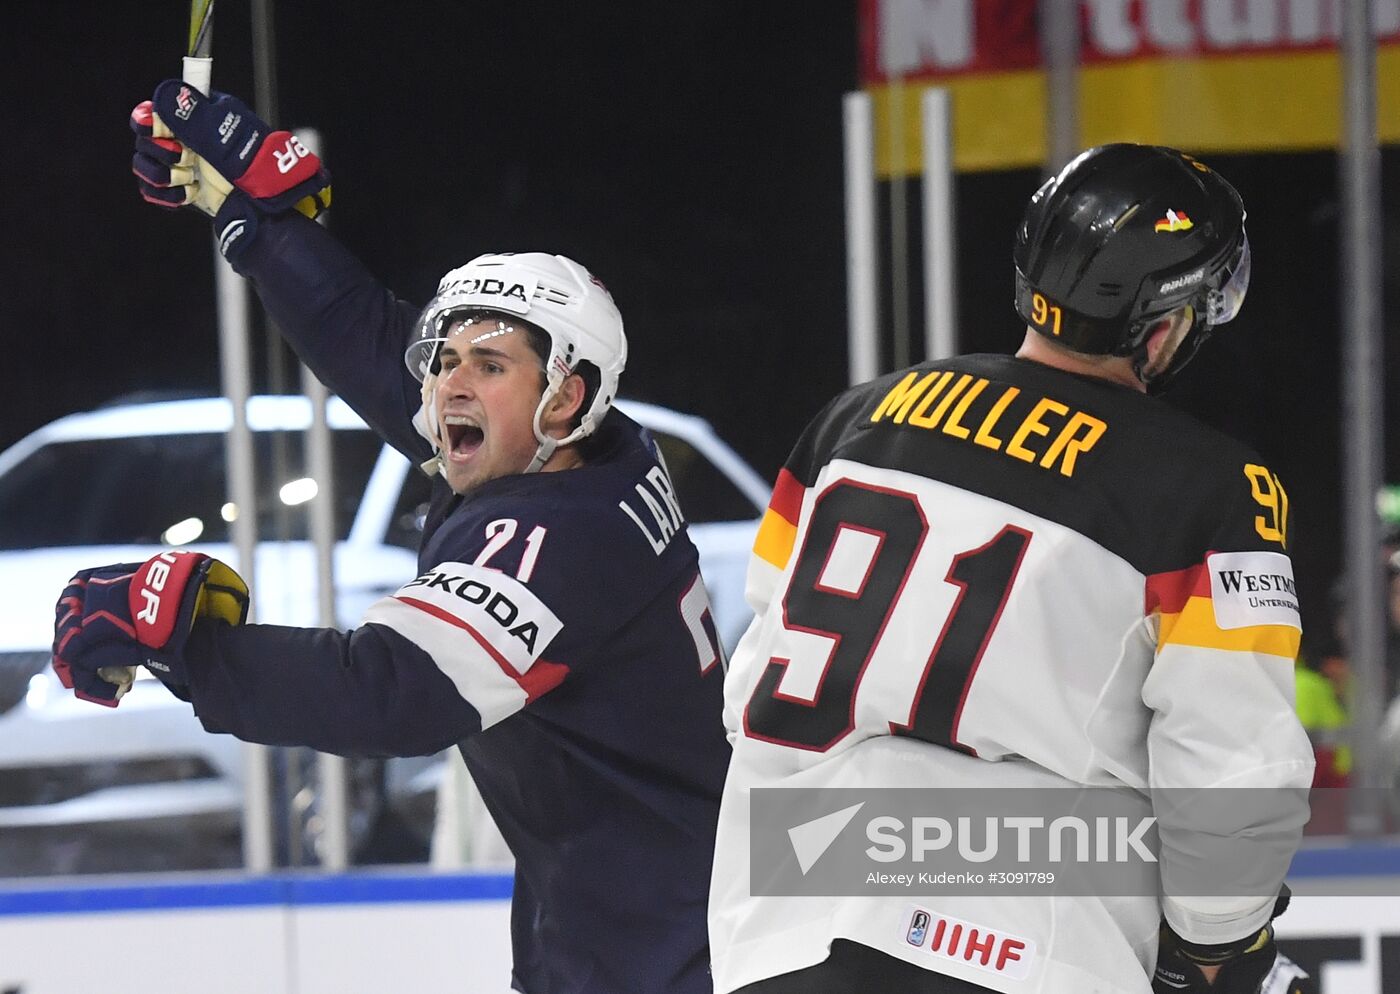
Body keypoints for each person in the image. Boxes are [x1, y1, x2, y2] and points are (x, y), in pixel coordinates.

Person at [55, 82, 730, 994]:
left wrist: (187, 650)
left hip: (671, 959)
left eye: (488, 364)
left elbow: (394, 694)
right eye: (445, 359)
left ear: (564, 396)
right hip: (645, 925)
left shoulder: (558, 542)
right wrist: (268, 230)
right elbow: (382, 362)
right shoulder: (597, 450)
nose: (450, 385)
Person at [707, 145, 1314, 993]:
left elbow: (755, 674)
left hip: (785, 925)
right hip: (1022, 943)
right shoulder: (1209, 490)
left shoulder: (852, 423)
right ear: (1167, 324)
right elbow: (1231, 774)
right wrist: (1220, 948)